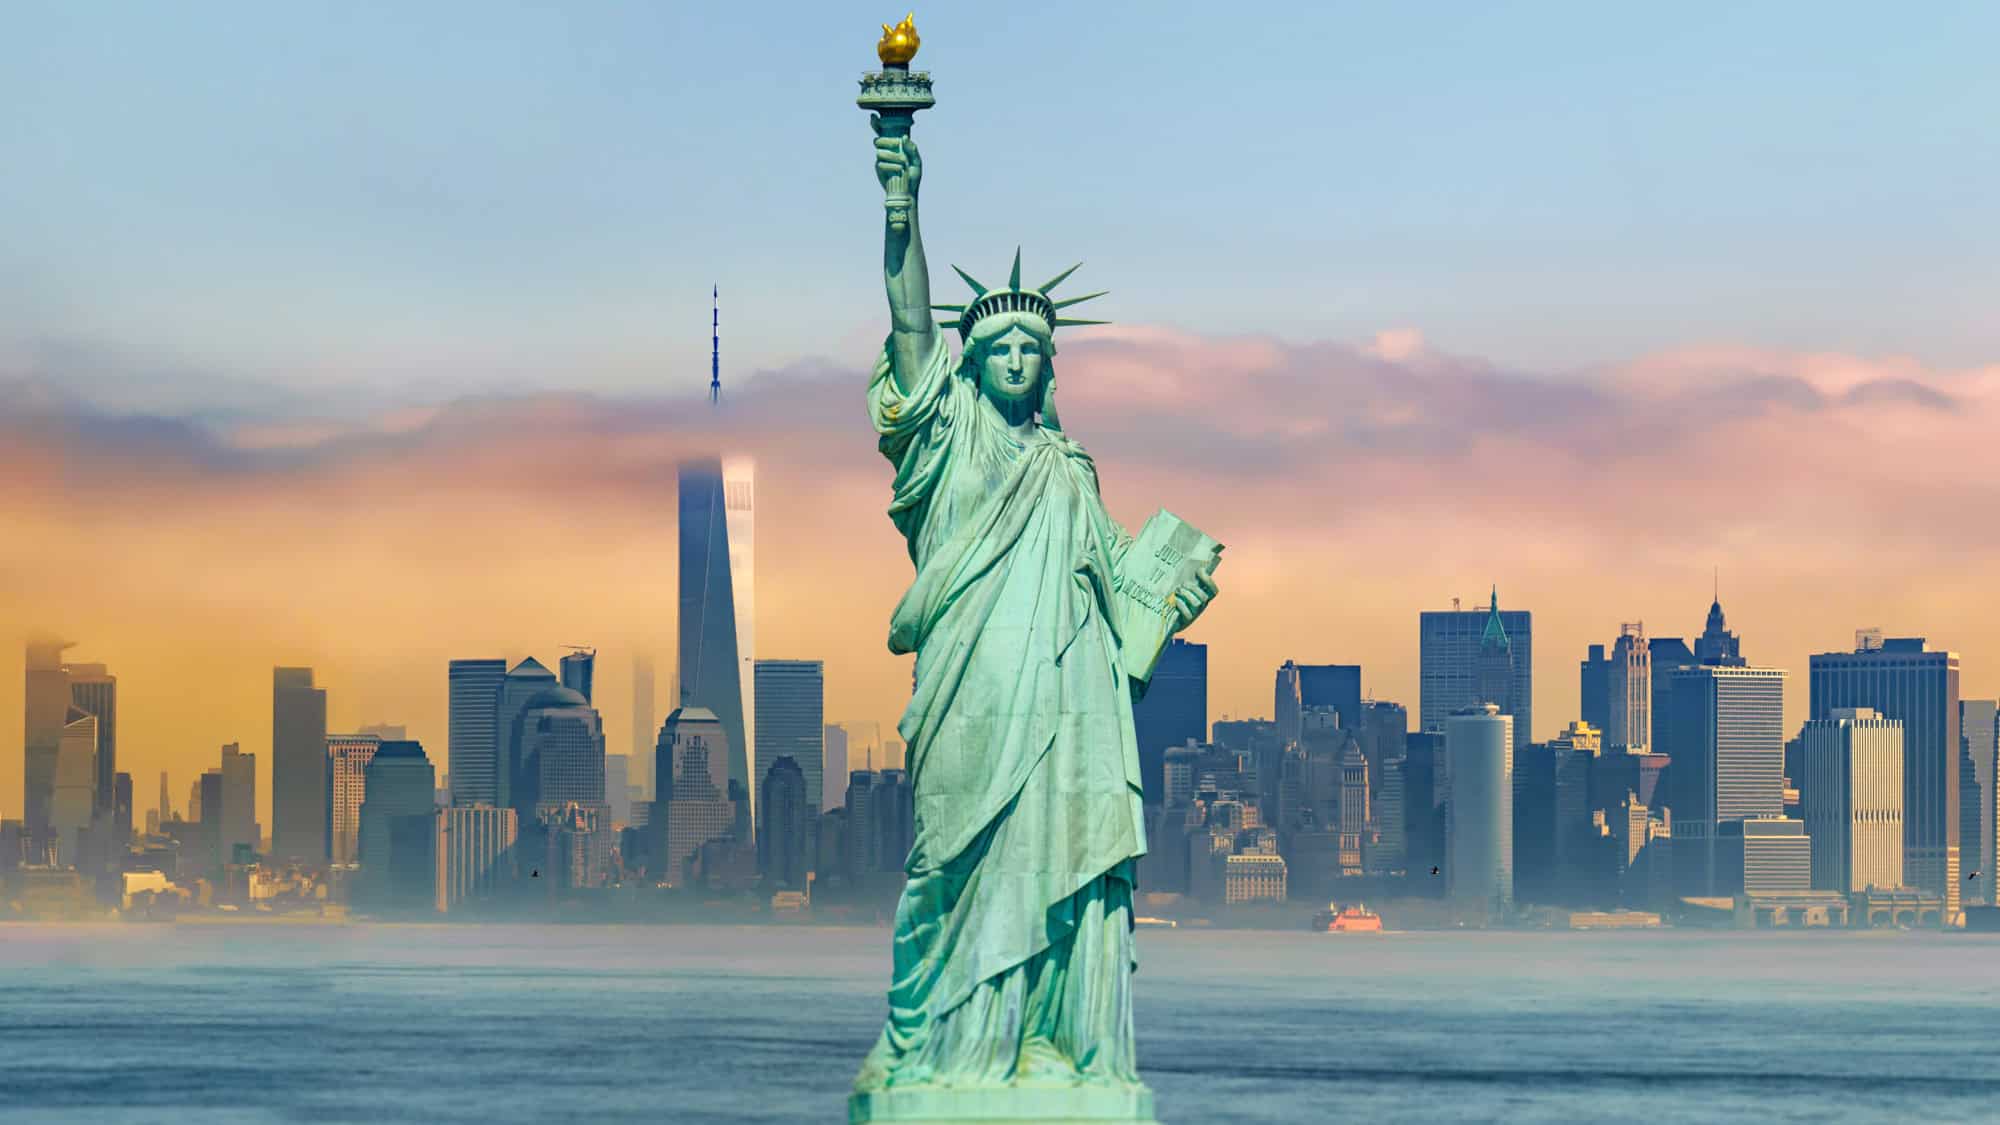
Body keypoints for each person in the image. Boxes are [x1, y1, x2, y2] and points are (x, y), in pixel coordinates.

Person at [853, 113, 1217, 1094]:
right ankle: (931, 1047)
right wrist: (901, 197)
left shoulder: (1067, 469)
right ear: (968, 367)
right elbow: (907, 319)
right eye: (999, 346)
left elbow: (1115, 588)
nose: (1015, 359)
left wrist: (1170, 590)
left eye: (1031, 348)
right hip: (968, 692)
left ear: (1049, 367)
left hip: (1063, 706)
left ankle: (1046, 1042)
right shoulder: (946, 439)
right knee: (948, 864)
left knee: (1055, 860)